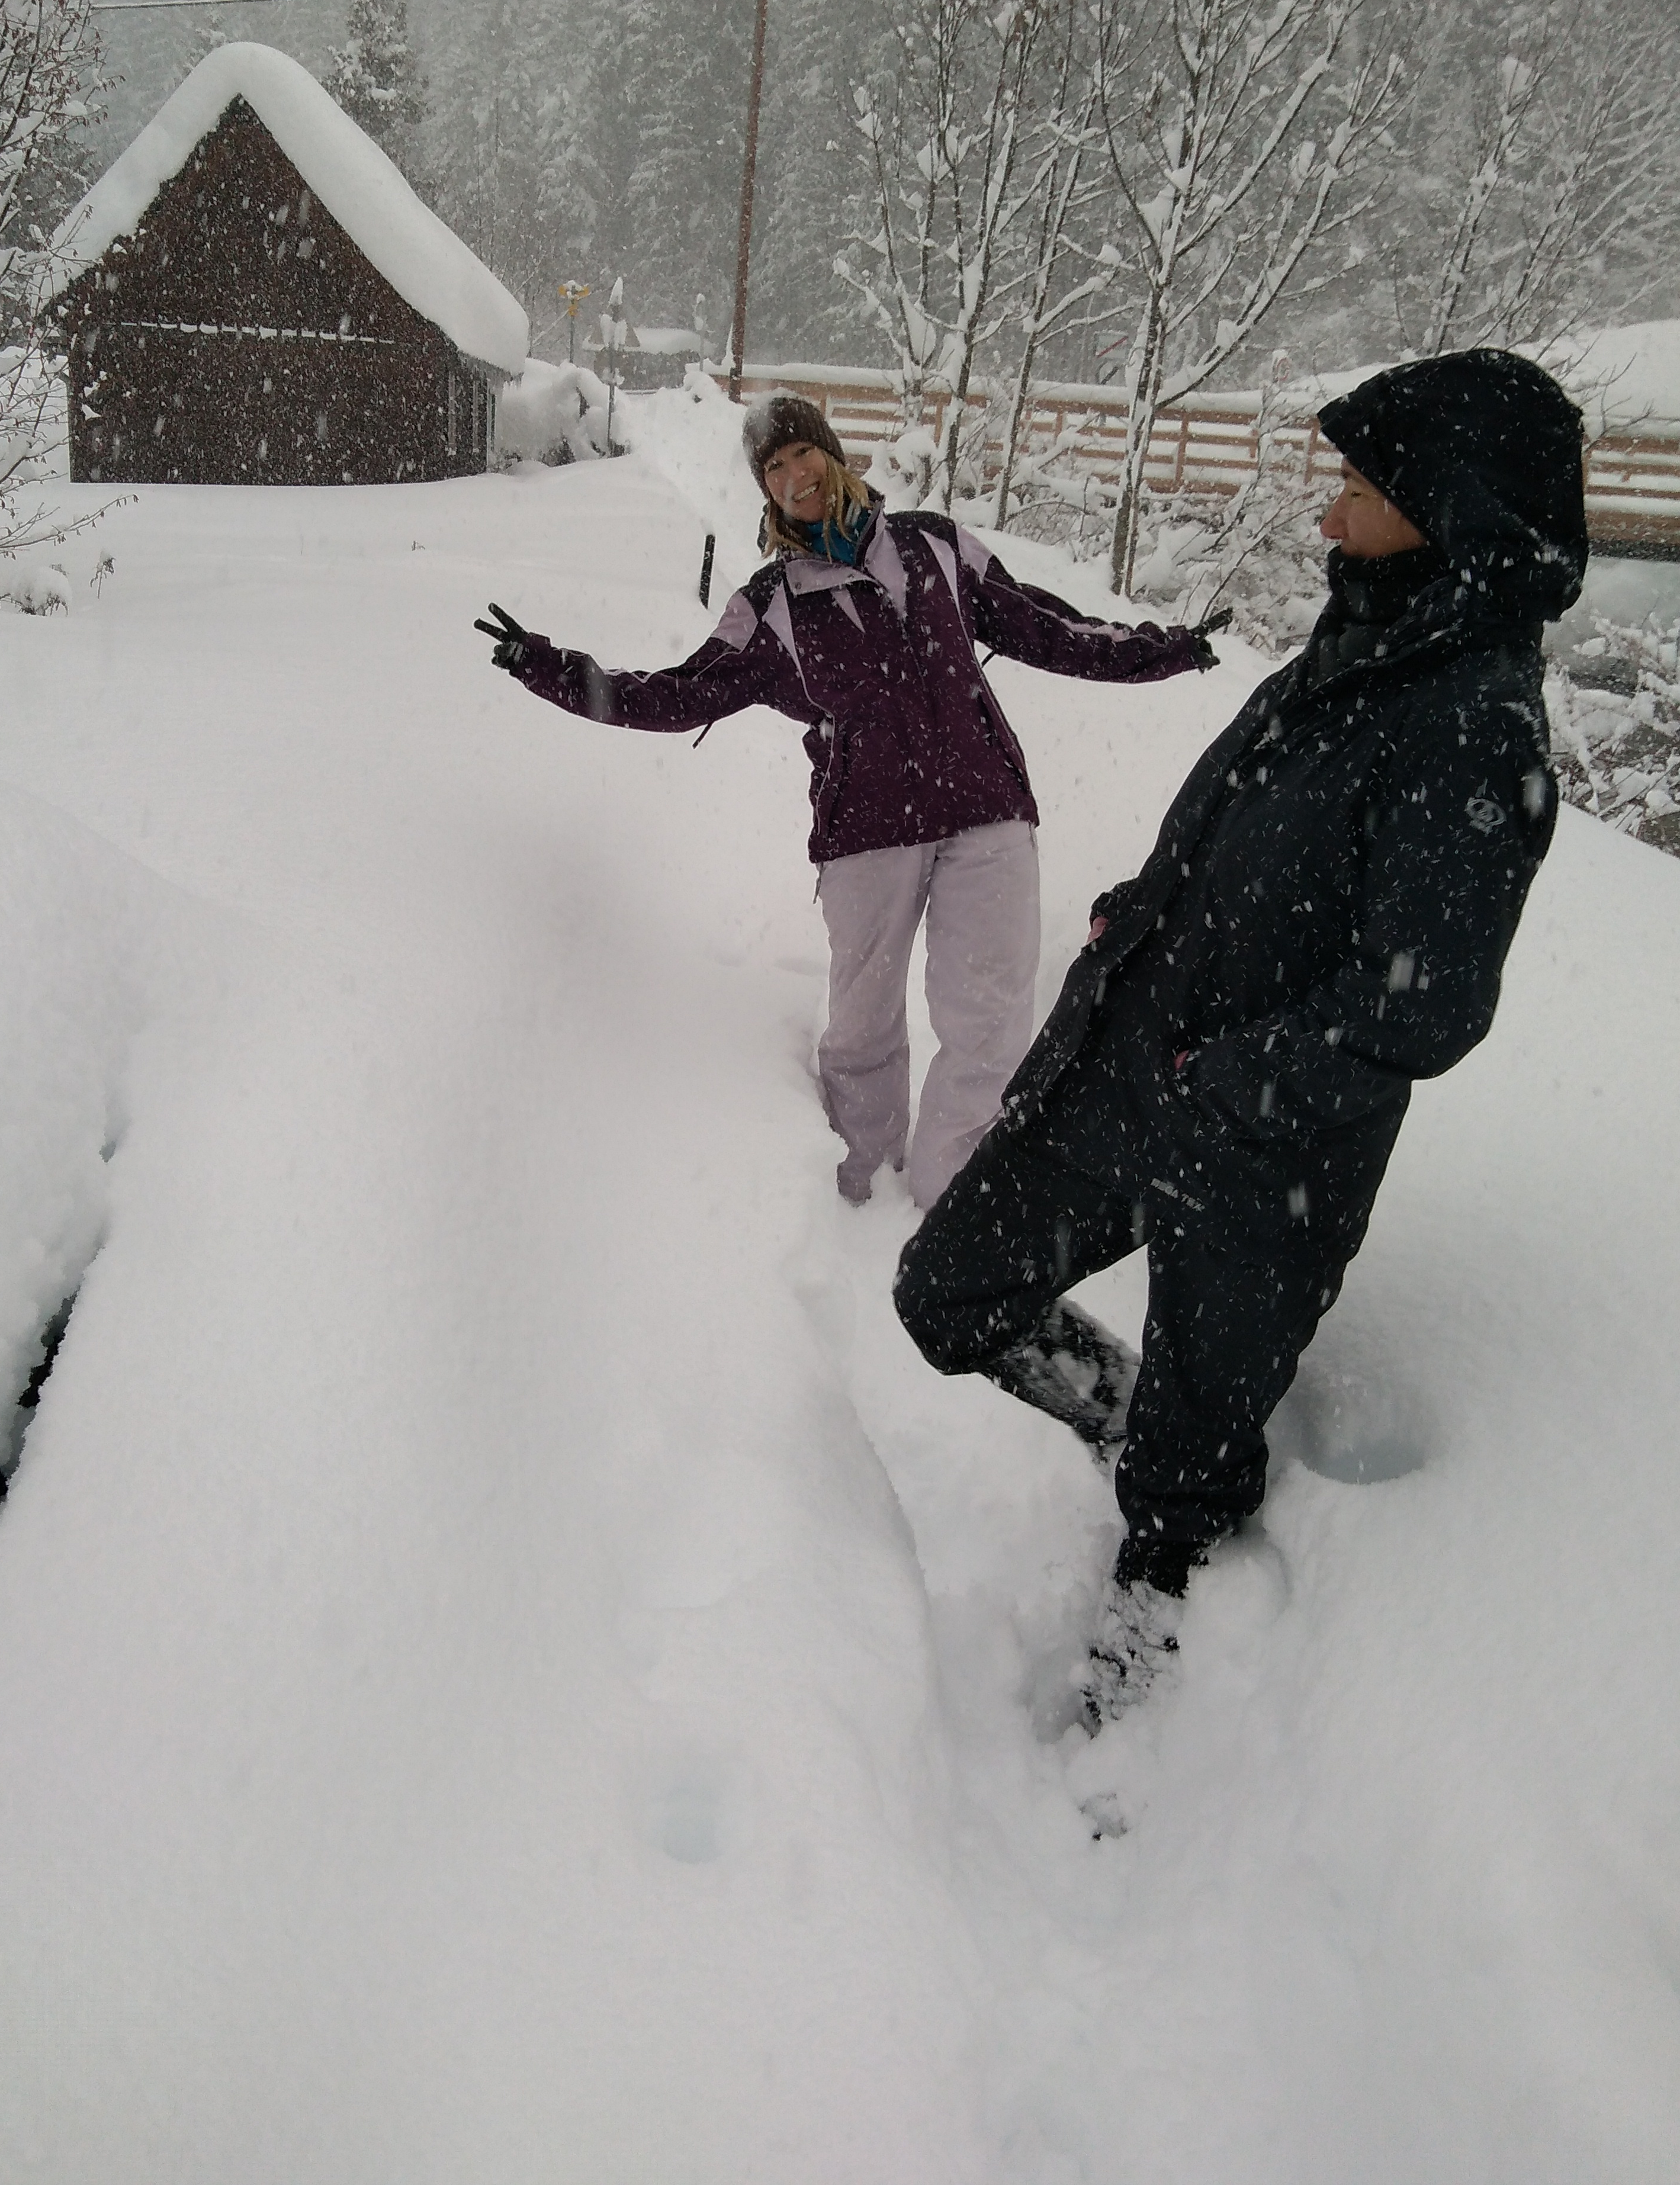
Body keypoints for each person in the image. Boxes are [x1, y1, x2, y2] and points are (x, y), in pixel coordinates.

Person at [891, 347, 1586, 1727]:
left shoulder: (1475, 724)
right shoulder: (1369, 635)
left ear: (1445, 511)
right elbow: (1245, 837)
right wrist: (1139, 909)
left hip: (1263, 1153)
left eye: (1358, 489)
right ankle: (1123, 1421)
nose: (1329, 515)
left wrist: (1233, 1080)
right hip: (1130, 1064)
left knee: (1187, 1478)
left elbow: (1425, 1003)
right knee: (948, 1291)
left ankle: (1142, 1687)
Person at [477, 394, 1219, 1209]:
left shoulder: (935, 546)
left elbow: (1049, 628)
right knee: (864, 1029)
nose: (794, 476)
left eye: (803, 455)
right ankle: (857, 1197)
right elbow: (677, 696)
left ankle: (950, 1201)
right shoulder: (772, 604)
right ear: (764, 487)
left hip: (987, 810)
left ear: (831, 454)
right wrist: (547, 667)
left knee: (992, 1022)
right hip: (868, 833)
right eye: (774, 467)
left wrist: (1172, 649)